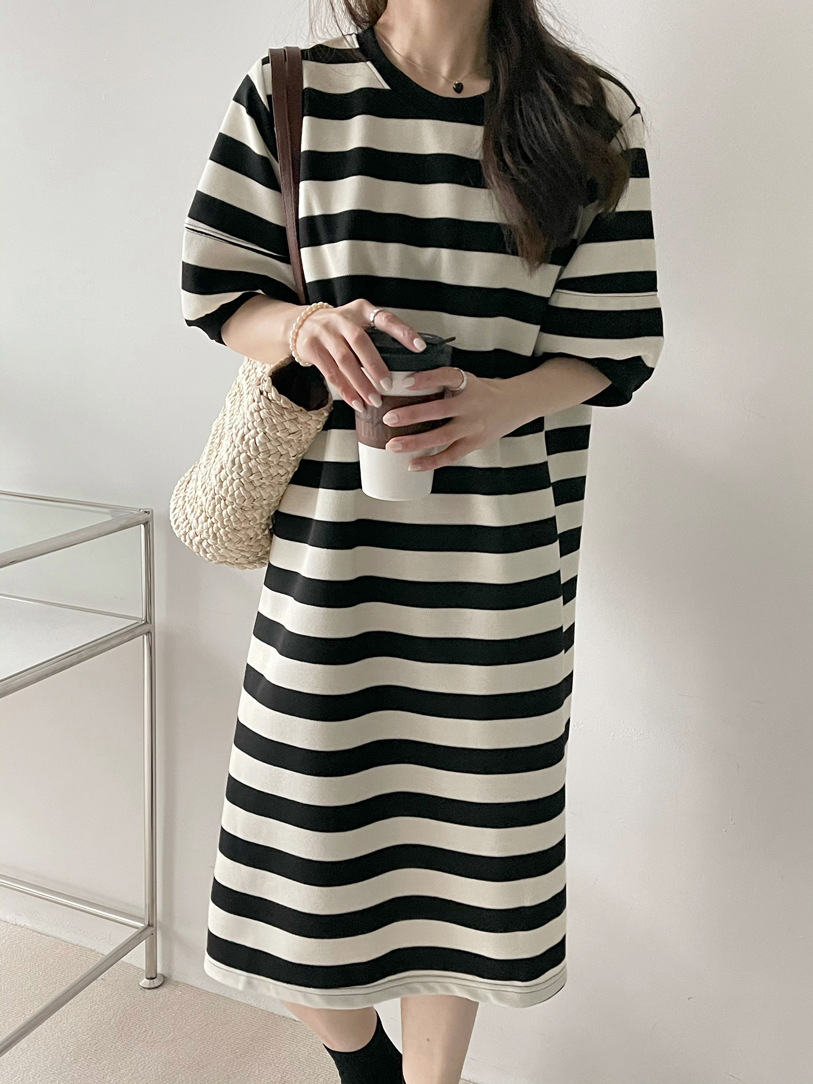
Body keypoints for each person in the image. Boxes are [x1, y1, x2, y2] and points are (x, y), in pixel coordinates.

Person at [180, 1, 665, 1082]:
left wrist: (498, 403)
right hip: (328, 567)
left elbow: (617, 340)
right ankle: (367, 1069)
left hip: (499, 576)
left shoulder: (587, 112)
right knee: (297, 857)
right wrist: (301, 326)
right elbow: (220, 291)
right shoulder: (294, 91)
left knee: (462, 864)